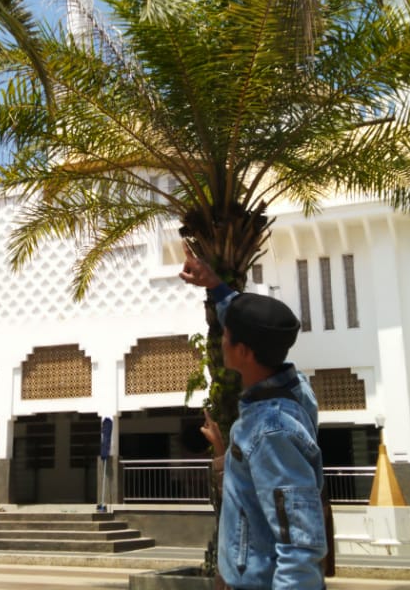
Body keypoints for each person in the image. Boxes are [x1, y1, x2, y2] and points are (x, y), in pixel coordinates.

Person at [181, 245, 327, 589]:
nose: (222, 340)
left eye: (226, 336)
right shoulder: (294, 386)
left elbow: (299, 544)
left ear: (244, 351)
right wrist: (215, 285)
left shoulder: (271, 429)